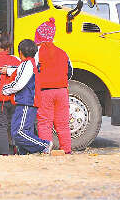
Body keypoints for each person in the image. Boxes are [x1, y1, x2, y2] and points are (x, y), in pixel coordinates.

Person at [1, 39, 52, 155]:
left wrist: (5, 89)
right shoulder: (31, 63)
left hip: (26, 102)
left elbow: (19, 82)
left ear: (20, 52)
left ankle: (44, 145)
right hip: (29, 101)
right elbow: (20, 71)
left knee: (18, 132)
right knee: (25, 131)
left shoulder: (26, 64)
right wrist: (9, 70)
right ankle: (26, 152)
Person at [34, 18, 73, 154]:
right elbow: (70, 72)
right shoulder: (63, 52)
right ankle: (67, 150)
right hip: (62, 92)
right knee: (62, 123)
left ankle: (46, 150)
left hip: (45, 92)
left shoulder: (37, 53)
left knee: (45, 123)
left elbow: (34, 71)